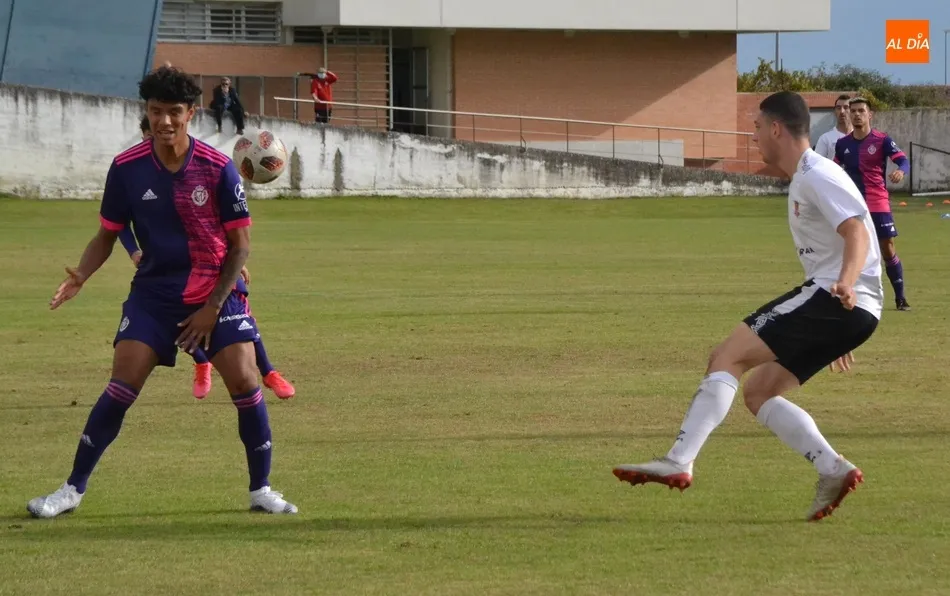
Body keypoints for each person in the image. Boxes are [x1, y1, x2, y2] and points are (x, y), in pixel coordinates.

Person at [27, 65, 298, 518]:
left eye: (174, 112)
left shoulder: (218, 169)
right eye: (156, 111)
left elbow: (240, 247)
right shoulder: (126, 168)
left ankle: (261, 489)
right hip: (153, 295)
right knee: (122, 383)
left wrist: (212, 308)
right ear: (147, 112)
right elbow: (107, 234)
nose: (164, 121)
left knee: (246, 380)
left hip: (214, 292)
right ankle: (71, 490)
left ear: (191, 113)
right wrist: (81, 275)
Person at [612, 91, 883, 522]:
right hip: (848, 309)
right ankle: (832, 468)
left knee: (726, 356)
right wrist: (842, 322)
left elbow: (856, 232)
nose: (753, 136)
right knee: (759, 393)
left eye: (756, 127)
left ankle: (679, 459)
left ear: (776, 129)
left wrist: (846, 287)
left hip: (838, 299)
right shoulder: (806, 176)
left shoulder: (816, 173)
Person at [128, 116, 295, 400]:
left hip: (215, 262)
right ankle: (202, 363)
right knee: (182, 321)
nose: (155, 141)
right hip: (169, 268)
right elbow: (120, 223)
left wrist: (236, 259)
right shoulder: (135, 173)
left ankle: (269, 372)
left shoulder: (200, 166)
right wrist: (134, 250)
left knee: (242, 316)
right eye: (149, 137)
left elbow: (215, 222)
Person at [834, 97, 911, 311]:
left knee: (887, 248)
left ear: (870, 115)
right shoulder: (842, 144)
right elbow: (833, 170)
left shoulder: (882, 140)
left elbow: (903, 161)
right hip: (853, 205)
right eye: (853, 111)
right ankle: (847, 296)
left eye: (861, 110)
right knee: (851, 249)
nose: (857, 114)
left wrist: (900, 171)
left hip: (878, 202)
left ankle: (900, 298)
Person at [814, 94, 852, 160]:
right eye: (838, 108)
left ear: (852, 111)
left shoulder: (859, 137)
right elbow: (817, 163)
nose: (842, 111)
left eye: (846, 107)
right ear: (835, 111)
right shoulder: (825, 139)